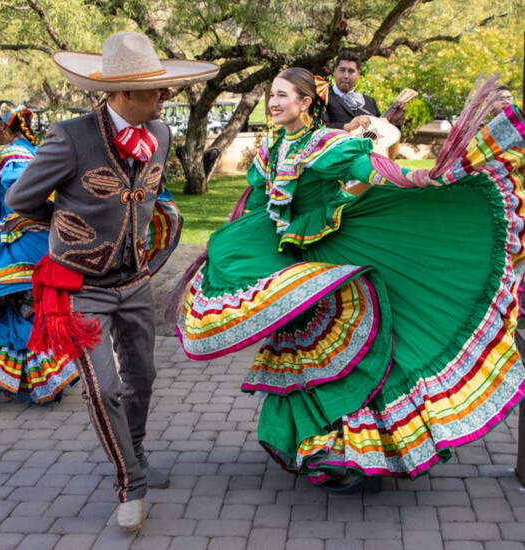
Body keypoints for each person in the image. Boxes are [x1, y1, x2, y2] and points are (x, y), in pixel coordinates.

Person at [176, 67, 525, 494]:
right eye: (272, 94)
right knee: (303, 352)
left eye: (283, 95)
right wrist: (236, 246)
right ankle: (321, 444)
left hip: (332, 253)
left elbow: (368, 165)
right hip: (292, 266)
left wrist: (412, 177)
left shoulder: (325, 143)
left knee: (355, 349)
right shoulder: (270, 147)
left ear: (305, 103)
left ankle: (363, 452)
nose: (274, 102)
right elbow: (260, 203)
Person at [5, 32, 218, 532]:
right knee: (105, 390)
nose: (165, 96)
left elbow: (150, 198)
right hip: (82, 287)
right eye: (155, 90)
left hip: (137, 281)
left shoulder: (160, 134)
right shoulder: (71, 137)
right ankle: (131, 484)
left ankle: (136, 453)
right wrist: (67, 225)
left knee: (142, 378)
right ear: (123, 92)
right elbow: (20, 200)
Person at [0, 101, 79, 403]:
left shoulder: (13, 156)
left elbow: (19, 197)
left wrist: (10, 223)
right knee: (23, 305)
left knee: (19, 304)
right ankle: (39, 381)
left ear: (2, 124)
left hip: (28, 242)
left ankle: (40, 379)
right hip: (38, 239)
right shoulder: (26, 150)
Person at [324, 50, 404, 132]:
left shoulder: (370, 102)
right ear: (335, 71)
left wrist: (394, 121)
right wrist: (349, 126)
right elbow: (319, 127)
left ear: (358, 74)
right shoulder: (323, 97)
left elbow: (381, 132)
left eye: (351, 71)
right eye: (342, 70)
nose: (346, 76)